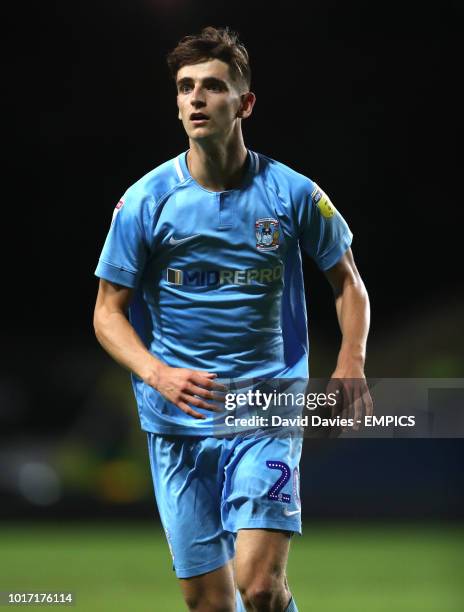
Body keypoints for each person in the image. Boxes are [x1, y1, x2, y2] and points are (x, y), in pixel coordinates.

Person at [93, 26, 371, 612]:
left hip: (266, 407)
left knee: (261, 587)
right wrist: (157, 373)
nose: (195, 98)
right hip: (177, 419)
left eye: (212, 86)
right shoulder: (145, 201)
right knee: (211, 604)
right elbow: (107, 314)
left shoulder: (292, 194)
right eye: (185, 87)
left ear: (243, 104)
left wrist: (352, 362)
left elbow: (348, 283)